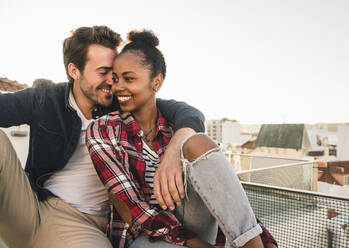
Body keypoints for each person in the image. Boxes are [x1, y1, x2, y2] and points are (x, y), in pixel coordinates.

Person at [0, 26, 206, 248]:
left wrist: (175, 149)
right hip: (32, 207)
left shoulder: (124, 103)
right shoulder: (45, 98)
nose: (112, 81)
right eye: (103, 72)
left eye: (115, 72)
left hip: (83, 225)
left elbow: (189, 113)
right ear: (74, 71)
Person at [86, 30, 277, 248]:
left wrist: (264, 239)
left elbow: (222, 194)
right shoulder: (102, 130)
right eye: (116, 79)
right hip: (145, 235)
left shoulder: (177, 127)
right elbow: (133, 210)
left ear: (156, 82)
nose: (119, 87)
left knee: (199, 143)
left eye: (129, 78)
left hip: (196, 222)